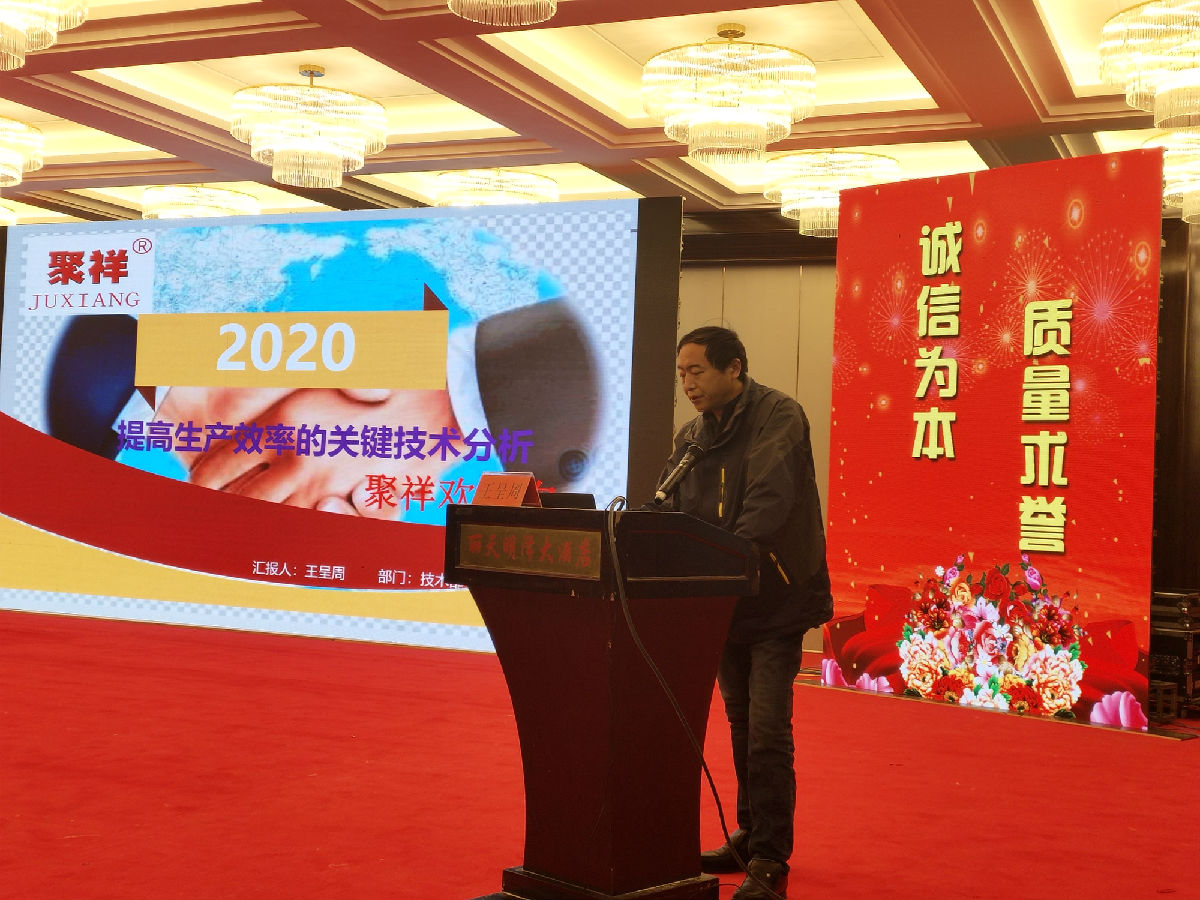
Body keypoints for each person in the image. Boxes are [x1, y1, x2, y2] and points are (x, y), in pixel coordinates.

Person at [657, 326, 832, 900]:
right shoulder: (691, 437)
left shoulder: (779, 416)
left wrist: (724, 562)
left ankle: (771, 859)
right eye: (681, 374)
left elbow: (768, 501)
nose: (688, 384)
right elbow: (672, 507)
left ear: (734, 368)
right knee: (741, 723)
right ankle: (750, 835)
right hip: (722, 602)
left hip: (776, 598)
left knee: (767, 731)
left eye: (697, 371)